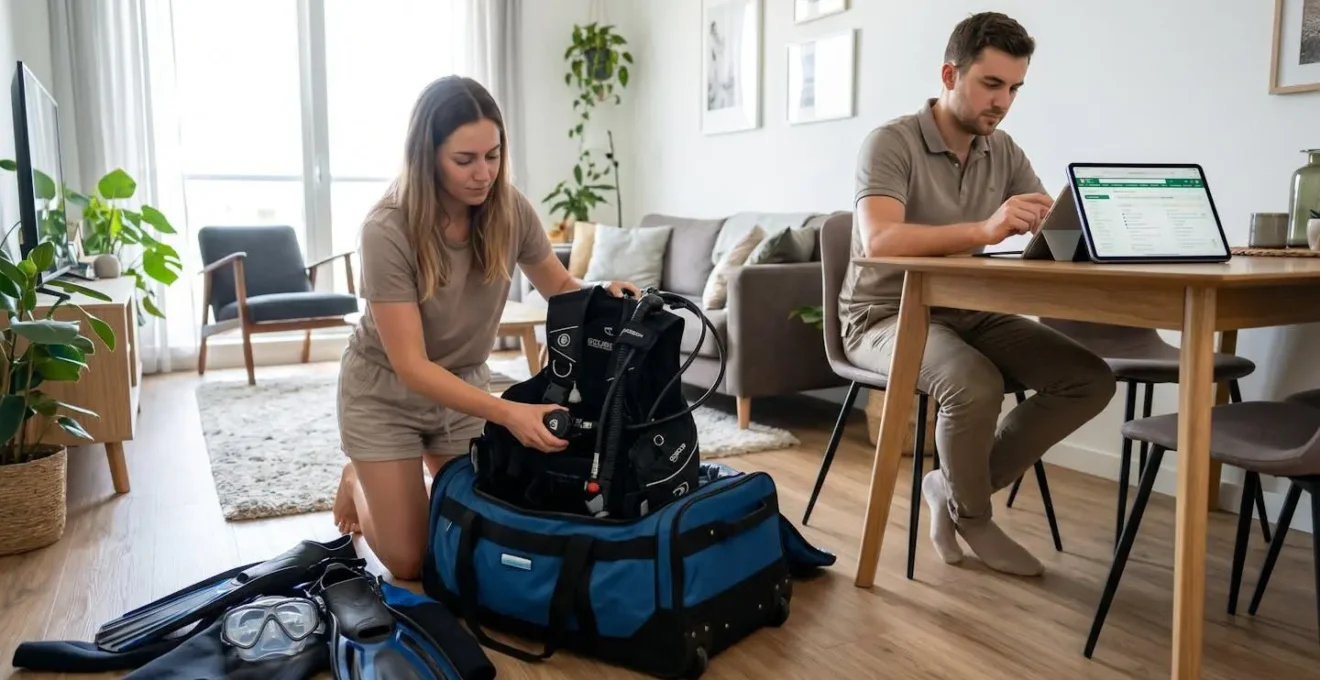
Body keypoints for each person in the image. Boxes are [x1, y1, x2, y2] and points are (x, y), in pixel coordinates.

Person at [838, 12, 1115, 576]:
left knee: (1089, 379)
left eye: (1014, 88)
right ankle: (976, 516)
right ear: (950, 74)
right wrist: (987, 230)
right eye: (992, 84)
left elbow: (1050, 225)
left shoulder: (1003, 150)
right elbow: (881, 237)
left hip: (970, 311)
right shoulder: (890, 143)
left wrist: (1084, 229)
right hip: (883, 315)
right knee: (973, 382)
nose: (1004, 101)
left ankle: (952, 487)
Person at [331, 75, 640, 580]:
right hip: (385, 394)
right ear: (427, 155)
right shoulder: (386, 229)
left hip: (462, 386)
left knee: (490, 523)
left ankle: (389, 482)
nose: (484, 174)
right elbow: (410, 365)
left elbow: (559, 285)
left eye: (493, 155)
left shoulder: (510, 210)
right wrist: (509, 413)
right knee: (410, 561)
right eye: (465, 160)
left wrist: (597, 295)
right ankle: (357, 479)